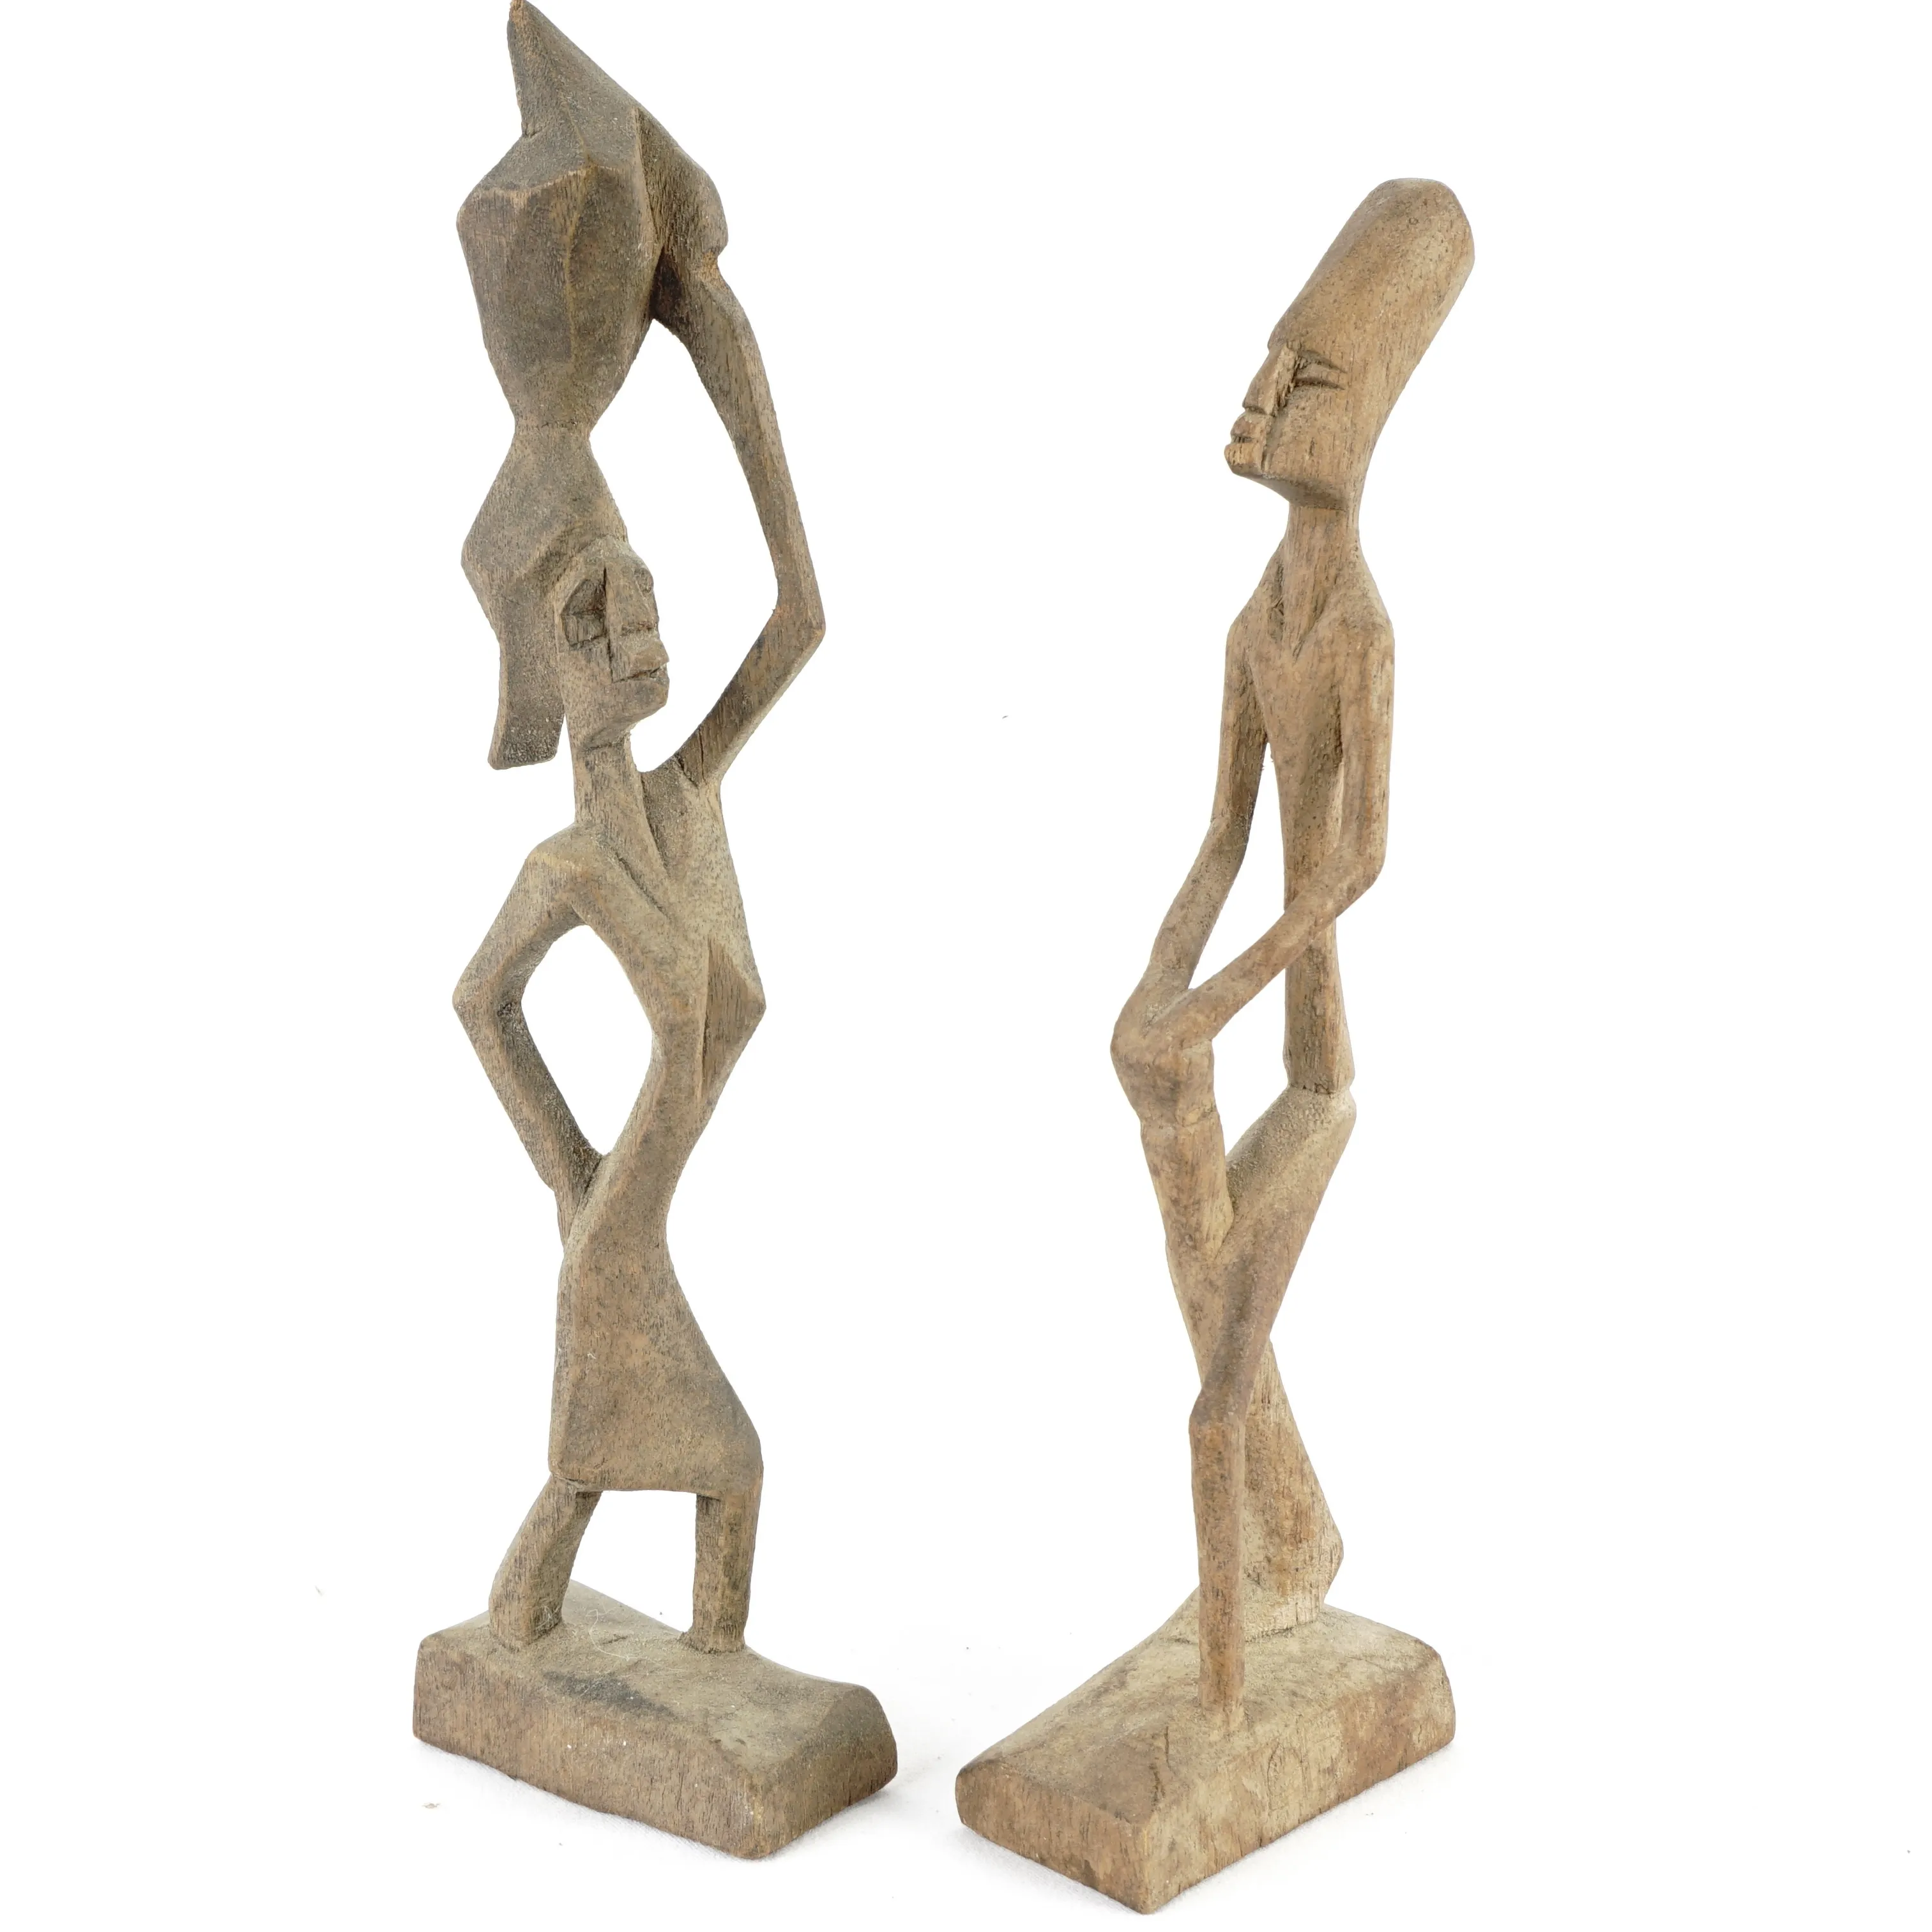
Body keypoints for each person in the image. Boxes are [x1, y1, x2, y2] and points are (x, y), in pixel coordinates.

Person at [451, 2, 822, 1654]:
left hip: (624, 1227)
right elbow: (480, 1002)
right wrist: (574, 1178)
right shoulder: (578, 866)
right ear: (552, 656)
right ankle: (580, 1636)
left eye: (650, 612)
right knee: (708, 1459)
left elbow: (803, 618)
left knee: (679, 1462)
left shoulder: (685, 807)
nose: (645, 642)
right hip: (614, 1232)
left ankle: (594, 1634)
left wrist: (708, 317)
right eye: (604, 624)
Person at [1110, 179, 1473, 1724]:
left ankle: (1233, 1680)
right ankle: (1300, 1536)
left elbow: (1354, 863)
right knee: (1210, 1301)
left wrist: (1223, 996)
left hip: (1310, 1070)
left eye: (1303, 379)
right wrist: (1157, 987)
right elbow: (1219, 837)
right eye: (1268, 367)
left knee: (1215, 1377)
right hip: (1213, 1036)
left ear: (1363, 419)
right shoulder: (1255, 628)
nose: (1259, 400)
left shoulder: (1360, 634)